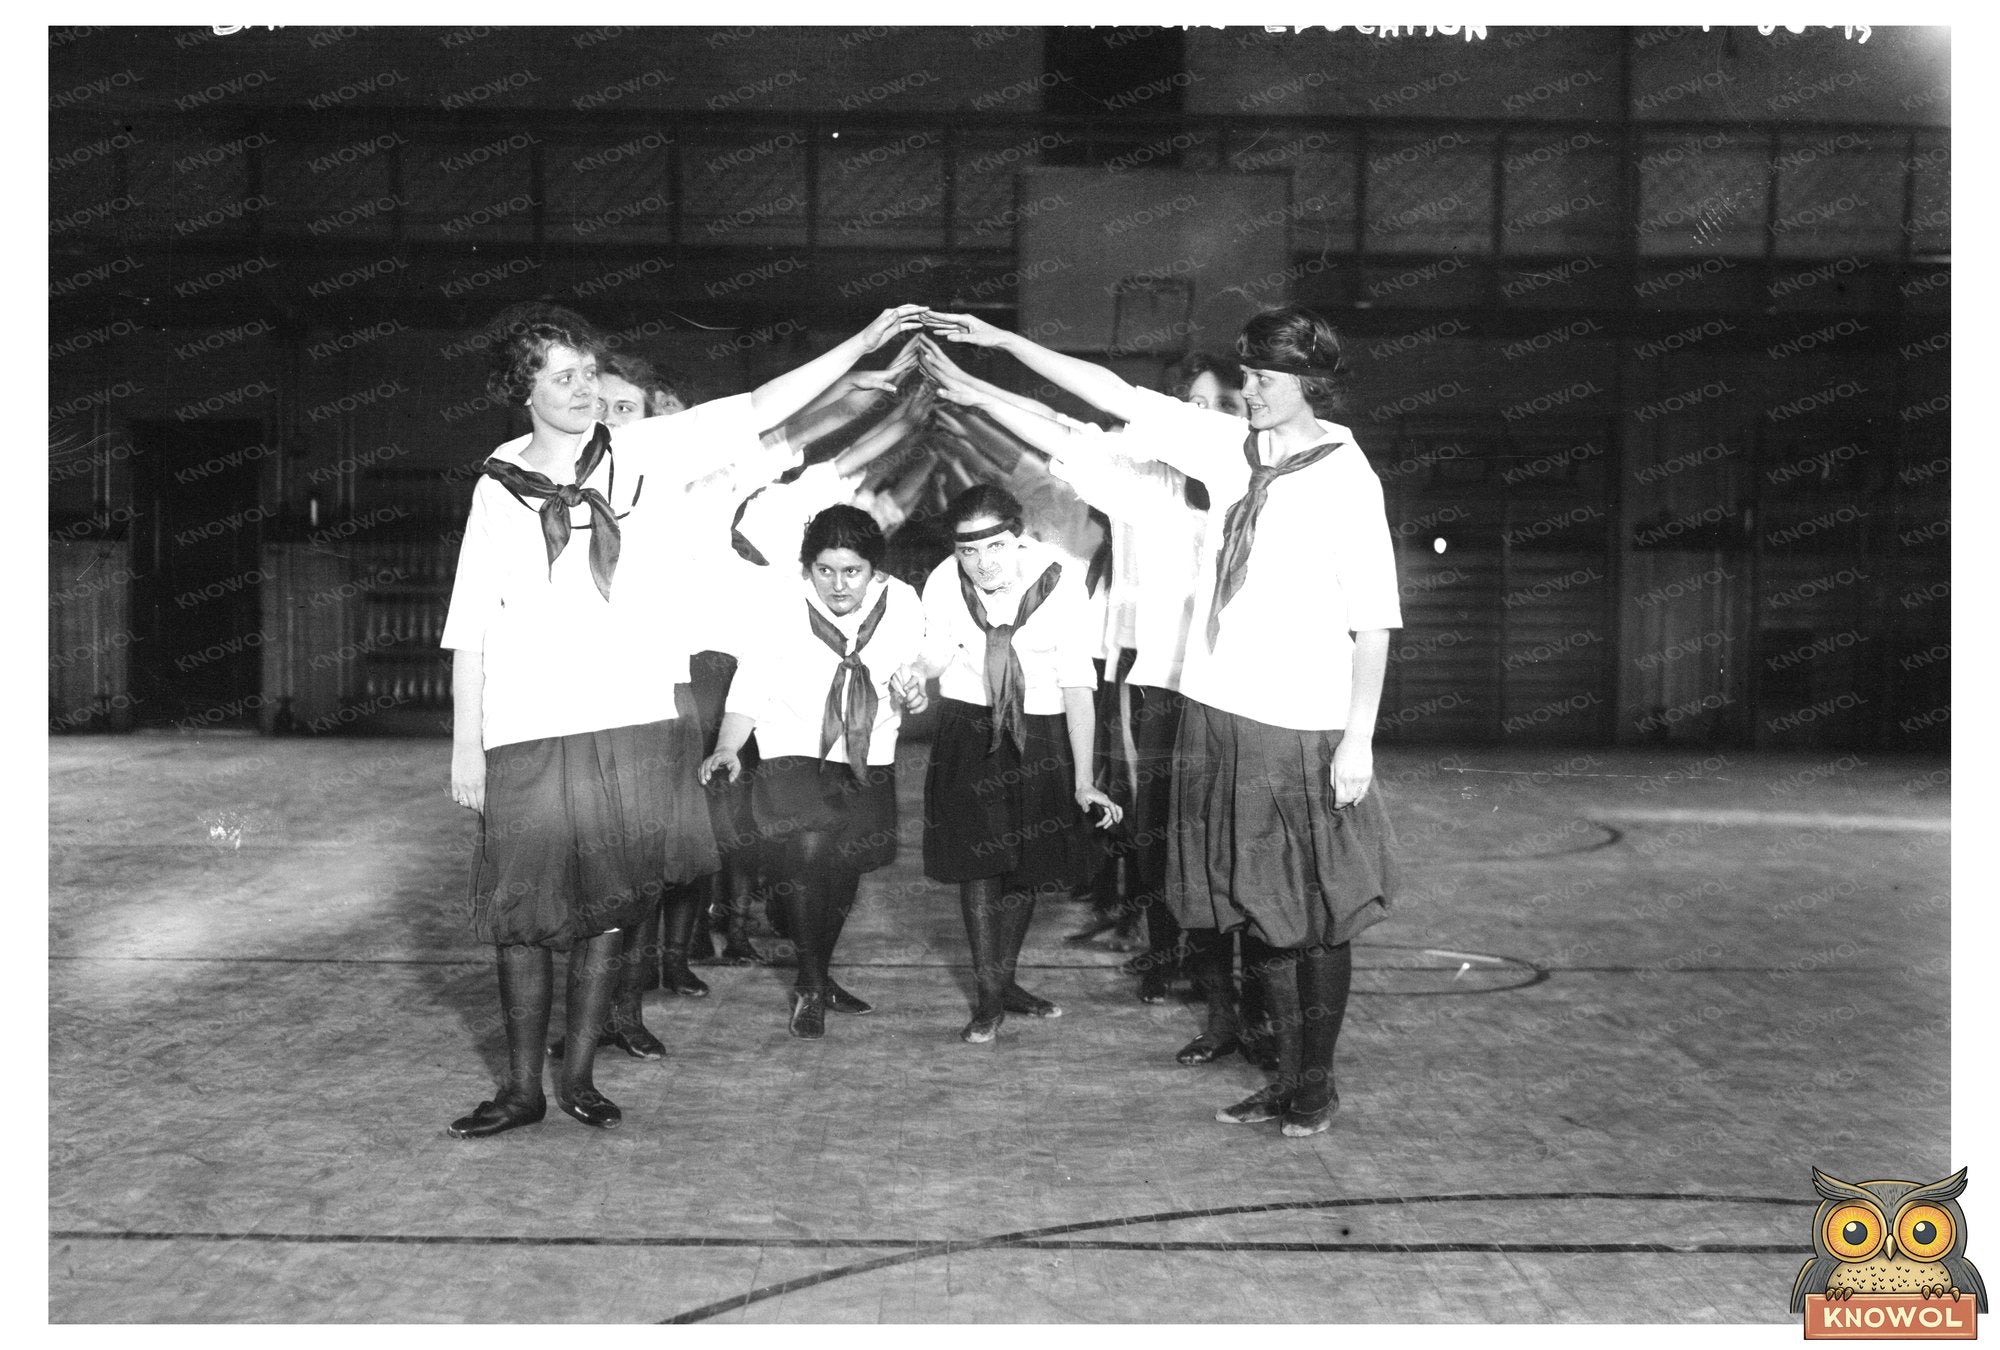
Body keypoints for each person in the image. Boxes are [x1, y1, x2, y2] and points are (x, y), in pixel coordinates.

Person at [441, 302, 926, 1137]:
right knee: (523, 915)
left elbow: (763, 406)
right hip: (526, 724)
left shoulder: (645, 452)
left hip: (630, 719)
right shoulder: (496, 486)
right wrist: (467, 749)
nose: (585, 388)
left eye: (590, 371)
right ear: (522, 390)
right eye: (564, 376)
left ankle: (581, 1078)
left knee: (610, 905)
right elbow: (471, 625)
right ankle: (521, 1089)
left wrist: (862, 341)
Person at [921, 305, 1401, 1137]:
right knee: (1253, 908)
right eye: (1245, 375)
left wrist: (1358, 736)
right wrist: (1001, 346)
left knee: (1310, 918)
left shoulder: (1347, 478)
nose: (1249, 392)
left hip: (1301, 724)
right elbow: (1108, 396)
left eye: (1265, 379)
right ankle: (1282, 1074)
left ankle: (1315, 1083)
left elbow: (1375, 621)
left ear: (1311, 383)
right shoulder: (1227, 450)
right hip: (1218, 715)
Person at [698, 506, 929, 1038]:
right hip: (790, 742)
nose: (838, 584)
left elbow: (907, 672)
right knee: (805, 858)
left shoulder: (902, 603)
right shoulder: (781, 601)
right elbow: (751, 683)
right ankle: (808, 982)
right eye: (825, 570)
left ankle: (819, 975)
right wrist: (729, 746)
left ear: (876, 571)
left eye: (852, 571)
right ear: (808, 568)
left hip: (867, 748)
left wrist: (911, 690)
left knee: (843, 867)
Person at [913, 483, 1124, 1043]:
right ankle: (987, 999)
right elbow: (934, 653)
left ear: (1018, 536)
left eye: (995, 547)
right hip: (969, 729)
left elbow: (1079, 683)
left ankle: (1002, 981)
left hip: (1042, 731)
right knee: (980, 865)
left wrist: (1083, 780)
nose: (982, 564)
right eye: (968, 551)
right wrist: (915, 672)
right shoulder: (942, 579)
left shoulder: (1060, 578)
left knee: (1025, 865)